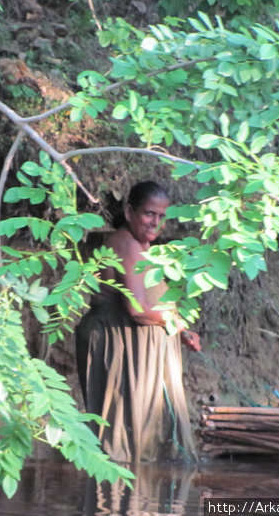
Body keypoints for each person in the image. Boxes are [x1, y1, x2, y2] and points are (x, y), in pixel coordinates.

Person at [76, 180, 200, 464]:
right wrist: (173, 320)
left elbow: (149, 303)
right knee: (124, 435)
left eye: (161, 216)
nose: (155, 222)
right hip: (119, 344)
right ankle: (116, 496)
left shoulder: (143, 246)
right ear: (130, 211)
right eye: (149, 213)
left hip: (134, 346)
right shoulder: (127, 245)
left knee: (139, 434)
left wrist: (179, 329)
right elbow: (136, 309)